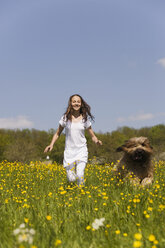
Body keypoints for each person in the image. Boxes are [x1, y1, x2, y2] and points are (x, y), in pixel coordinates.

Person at [44, 94, 102, 186]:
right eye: (74, 101)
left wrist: (97, 141)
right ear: (70, 103)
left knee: (80, 174)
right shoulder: (65, 118)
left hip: (81, 150)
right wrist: (51, 144)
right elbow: (57, 133)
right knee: (71, 179)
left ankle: (81, 195)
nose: (76, 103)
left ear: (81, 104)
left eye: (78, 102)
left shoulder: (85, 119)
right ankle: (74, 190)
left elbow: (92, 136)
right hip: (69, 152)